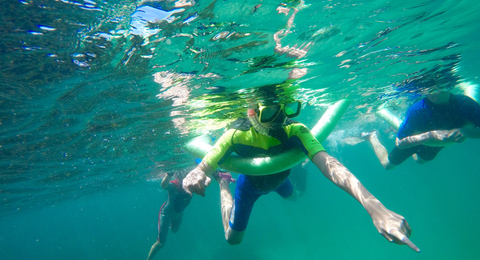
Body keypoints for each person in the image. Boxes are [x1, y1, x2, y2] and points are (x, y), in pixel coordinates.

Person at [182, 94, 420, 252]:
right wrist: (199, 171)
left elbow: (330, 163)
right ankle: (224, 184)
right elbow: (208, 161)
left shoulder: (296, 130)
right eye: (271, 112)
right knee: (232, 240)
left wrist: (376, 209)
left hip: (280, 179)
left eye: (289, 108)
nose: (280, 119)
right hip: (249, 187)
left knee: (293, 196)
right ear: (253, 112)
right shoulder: (236, 135)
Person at [364, 90, 480, 169]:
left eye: (440, 89)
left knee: (420, 161)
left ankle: (401, 128)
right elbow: (399, 143)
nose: (435, 93)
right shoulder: (417, 109)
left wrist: (465, 131)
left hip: (436, 144)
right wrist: (430, 136)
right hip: (415, 140)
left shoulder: (465, 103)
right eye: (431, 90)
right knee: (387, 165)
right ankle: (372, 136)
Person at [146, 171, 192, 260]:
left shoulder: (191, 185)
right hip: (166, 214)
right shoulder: (174, 186)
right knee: (161, 243)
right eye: (180, 176)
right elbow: (163, 185)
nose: (183, 178)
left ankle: (167, 227)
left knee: (175, 230)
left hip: (179, 214)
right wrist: (168, 175)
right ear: (177, 177)